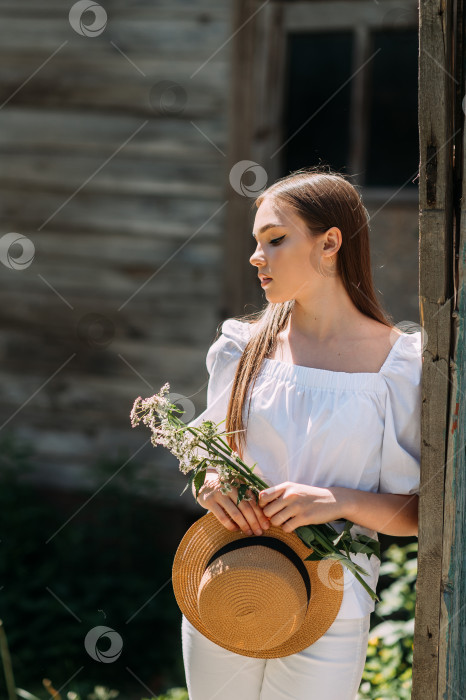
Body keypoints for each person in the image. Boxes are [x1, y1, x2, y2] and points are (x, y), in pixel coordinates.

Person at [181, 166, 422, 700]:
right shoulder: (243, 348)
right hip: (230, 580)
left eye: (275, 239)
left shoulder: (398, 367)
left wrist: (337, 500)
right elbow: (208, 457)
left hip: (331, 601)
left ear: (330, 242)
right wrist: (215, 483)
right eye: (256, 242)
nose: (256, 256)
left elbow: (417, 514)